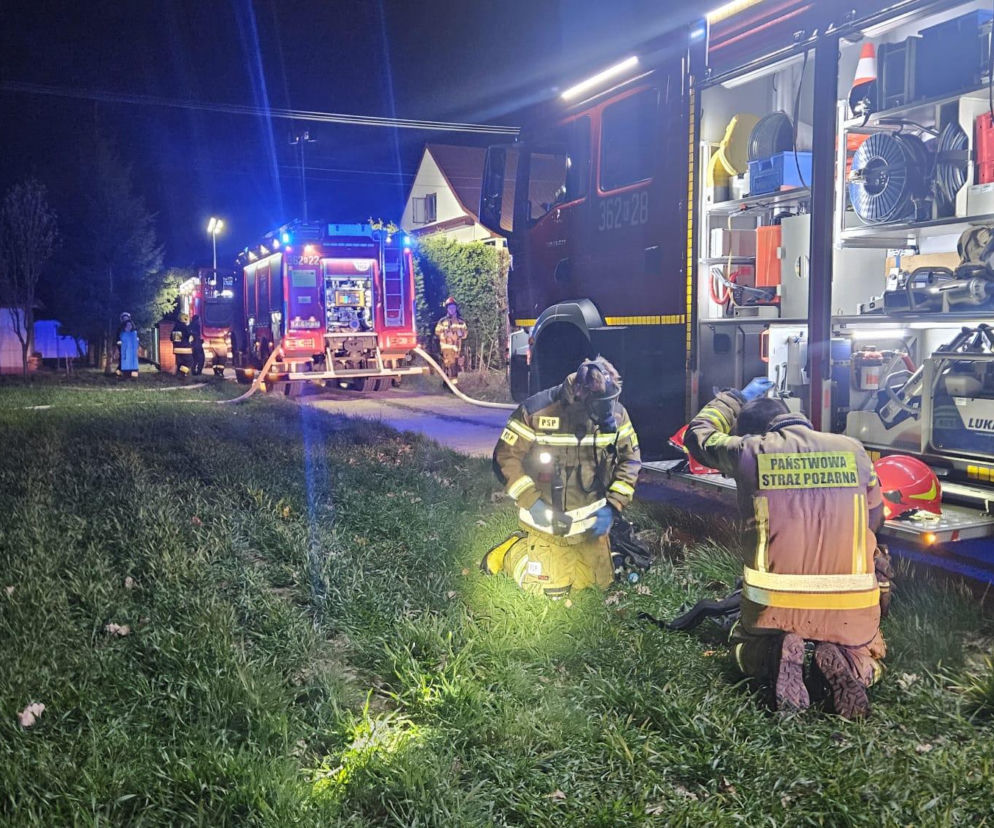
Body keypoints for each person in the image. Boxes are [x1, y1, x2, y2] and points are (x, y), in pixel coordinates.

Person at [684, 379, 887, 719]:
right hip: (852, 606)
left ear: (754, 432)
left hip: (773, 607)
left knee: (739, 646)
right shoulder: (853, 449)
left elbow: (697, 435)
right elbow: (875, 518)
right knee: (872, 652)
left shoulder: (750, 452)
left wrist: (734, 398)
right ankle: (853, 663)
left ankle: (767, 656)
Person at [483, 356, 641, 597]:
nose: (608, 410)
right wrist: (532, 502)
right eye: (600, 403)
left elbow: (630, 460)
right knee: (549, 592)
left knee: (599, 587)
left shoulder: (617, 414)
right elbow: (505, 458)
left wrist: (614, 504)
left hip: (590, 519)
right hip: (545, 517)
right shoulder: (536, 410)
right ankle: (511, 551)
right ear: (580, 393)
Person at [434, 297, 468, 382]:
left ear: (456, 308)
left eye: (453, 307)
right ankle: (447, 384)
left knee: (455, 366)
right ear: (447, 309)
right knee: (448, 365)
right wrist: (445, 331)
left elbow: (465, 335)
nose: (452, 309)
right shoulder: (442, 321)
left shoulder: (461, 322)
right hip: (446, 348)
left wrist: (459, 332)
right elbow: (437, 331)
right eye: (450, 308)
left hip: (457, 348)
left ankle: (453, 386)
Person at [170, 312, 194, 378]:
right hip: (185, 349)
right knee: (189, 362)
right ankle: (182, 373)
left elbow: (171, 338)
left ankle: (180, 375)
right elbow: (190, 337)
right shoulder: (185, 328)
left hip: (176, 350)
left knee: (180, 363)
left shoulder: (175, 328)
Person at [116, 313, 139, 379]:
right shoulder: (120, 328)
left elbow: (135, 338)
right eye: (124, 318)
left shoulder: (133, 330)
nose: (125, 319)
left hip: (131, 349)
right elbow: (118, 338)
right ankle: (119, 374)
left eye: (126, 318)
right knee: (122, 361)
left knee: (132, 362)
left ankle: (132, 376)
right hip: (123, 349)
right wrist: (119, 343)